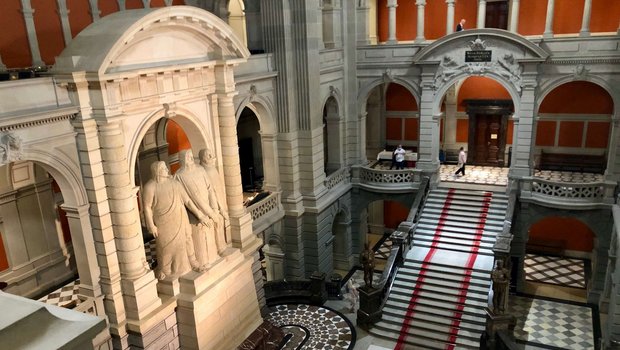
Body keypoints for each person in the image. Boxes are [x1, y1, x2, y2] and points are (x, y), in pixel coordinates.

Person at [142, 161, 210, 280]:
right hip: (163, 221)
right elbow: (147, 207)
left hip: (180, 217)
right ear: (157, 171)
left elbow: (188, 201)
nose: (167, 170)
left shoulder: (175, 183)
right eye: (164, 168)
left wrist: (200, 215)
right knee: (164, 245)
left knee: (186, 240)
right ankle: (164, 268)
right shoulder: (150, 187)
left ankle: (193, 262)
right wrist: (151, 225)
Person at [176, 150, 226, 266]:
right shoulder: (179, 176)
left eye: (190, 155)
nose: (190, 158)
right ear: (182, 159)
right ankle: (203, 262)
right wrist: (200, 215)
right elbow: (188, 200)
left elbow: (210, 189)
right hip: (196, 216)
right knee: (201, 239)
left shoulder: (200, 169)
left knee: (215, 228)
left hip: (209, 210)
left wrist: (214, 209)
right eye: (187, 156)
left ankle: (218, 252)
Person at [198, 149, 230, 246]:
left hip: (219, 203)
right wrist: (219, 209)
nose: (212, 157)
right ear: (202, 158)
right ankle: (220, 245)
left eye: (211, 154)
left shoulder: (212, 169)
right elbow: (212, 191)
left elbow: (218, 189)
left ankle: (223, 244)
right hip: (213, 206)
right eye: (208, 155)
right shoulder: (204, 172)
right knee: (217, 223)